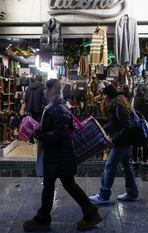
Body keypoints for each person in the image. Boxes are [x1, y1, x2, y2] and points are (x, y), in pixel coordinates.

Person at [23, 79, 102, 232]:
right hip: (58, 156)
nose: (44, 92)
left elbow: (61, 135)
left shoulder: (57, 109)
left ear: (53, 90)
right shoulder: (55, 107)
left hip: (60, 157)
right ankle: (45, 218)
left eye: (46, 89)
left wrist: (39, 133)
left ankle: (45, 219)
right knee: (57, 184)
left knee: (61, 184)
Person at [89, 85, 139, 204]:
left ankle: (103, 195)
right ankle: (132, 193)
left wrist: (114, 139)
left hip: (121, 142)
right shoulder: (118, 103)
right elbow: (116, 123)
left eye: (104, 96)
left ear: (108, 96)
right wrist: (103, 129)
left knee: (110, 167)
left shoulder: (118, 106)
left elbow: (127, 125)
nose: (103, 98)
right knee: (127, 167)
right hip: (124, 141)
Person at [132, 84, 148, 165]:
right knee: (145, 142)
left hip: (136, 122)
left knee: (135, 142)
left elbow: (133, 110)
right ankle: (144, 161)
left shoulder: (135, 98)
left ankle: (134, 160)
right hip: (146, 122)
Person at [24, 74, 45, 144]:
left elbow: (26, 98)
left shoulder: (29, 87)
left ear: (35, 79)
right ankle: (38, 137)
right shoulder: (42, 87)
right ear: (41, 80)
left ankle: (31, 139)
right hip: (39, 108)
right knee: (38, 123)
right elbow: (44, 98)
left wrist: (27, 106)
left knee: (30, 123)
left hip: (29, 108)